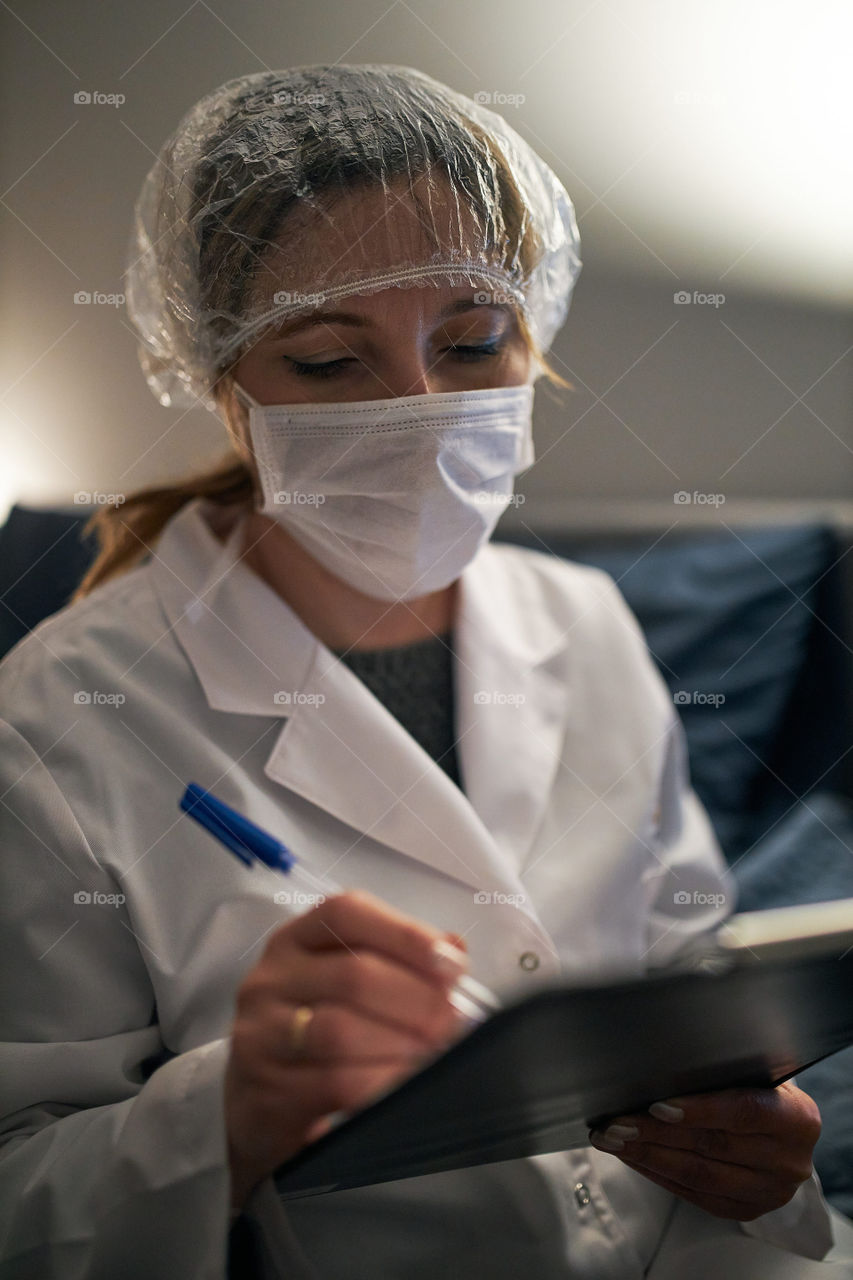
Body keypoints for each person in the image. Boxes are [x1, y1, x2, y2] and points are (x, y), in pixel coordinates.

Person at [1, 64, 851, 1280]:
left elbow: (691, 972)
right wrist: (222, 1114)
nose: (417, 408)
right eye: (330, 364)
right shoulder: (58, 717)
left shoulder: (586, 620)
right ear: (222, 380)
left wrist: (761, 1153)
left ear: (533, 341)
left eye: (469, 341)